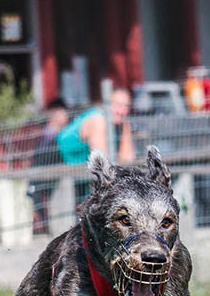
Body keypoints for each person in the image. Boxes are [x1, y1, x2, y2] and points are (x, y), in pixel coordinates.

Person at [57, 88, 136, 203]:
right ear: (106, 104)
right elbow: (103, 164)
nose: (122, 111)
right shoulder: (97, 119)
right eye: (118, 105)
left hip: (84, 176)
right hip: (54, 167)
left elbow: (128, 161)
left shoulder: (122, 124)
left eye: (126, 106)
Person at [28, 98, 68, 234]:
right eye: (63, 113)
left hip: (52, 174)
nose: (66, 116)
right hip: (43, 173)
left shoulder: (55, 133)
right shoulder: (50, 135)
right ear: (54, 114)